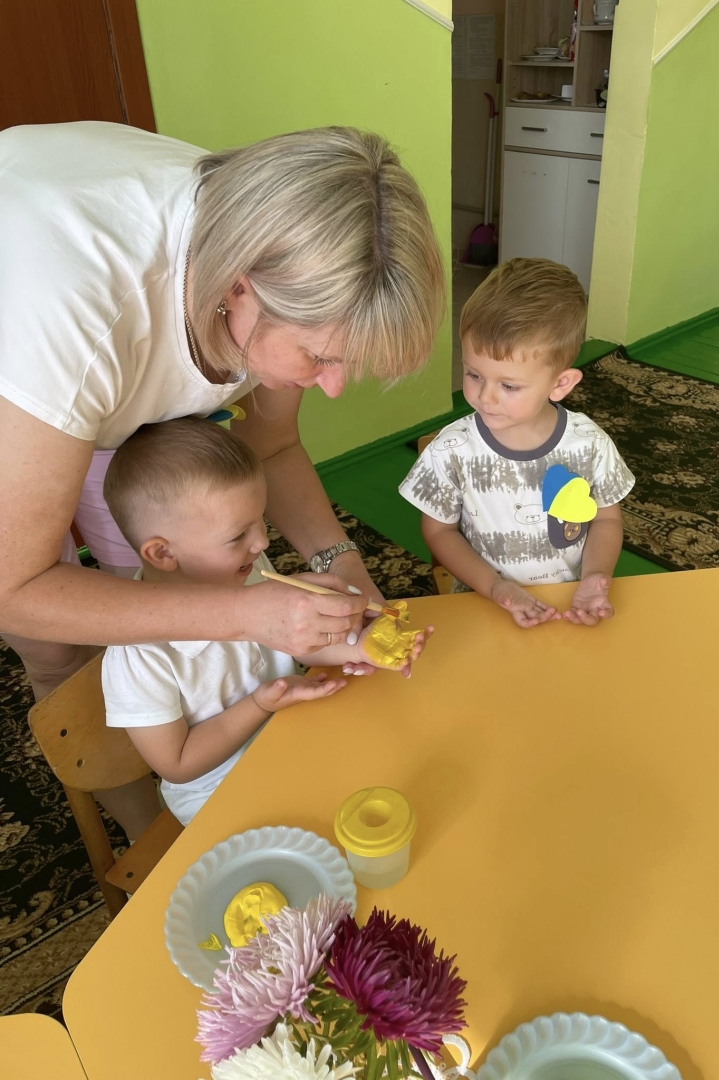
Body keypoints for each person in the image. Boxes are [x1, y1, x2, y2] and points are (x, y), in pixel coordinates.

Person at [0, 120, 444, 838]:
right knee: (55, 644)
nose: (332, 387)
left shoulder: (280, 251)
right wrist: (244, 614)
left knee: (154, 558)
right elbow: (14, 589)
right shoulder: (80, 317)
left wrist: (340, 562)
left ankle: (159, 728)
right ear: (239, 288)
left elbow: (271, 444)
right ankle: (145, 824)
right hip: (32, 350)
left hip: (96, 356)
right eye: (319, 357)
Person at [101, 418, 432, 826]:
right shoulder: (137, 656)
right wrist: (259, 705)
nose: (262, 542)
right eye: (238, 535)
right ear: (163, 554)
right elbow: (178, 764)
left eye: (260, 520)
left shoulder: (247, 567)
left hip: (294, 737)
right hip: (221, 795)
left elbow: (297, 640)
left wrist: (361, 647)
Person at [399, 258, 634, 627]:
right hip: (482, 602)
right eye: (473, 374)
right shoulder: (451, 451)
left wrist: (594, 577)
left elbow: (606, 518)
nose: (485, 396)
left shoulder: (590, 444)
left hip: (569, 603)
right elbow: (439, 531)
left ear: (561, 384)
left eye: (508, 385)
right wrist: (495, 588)